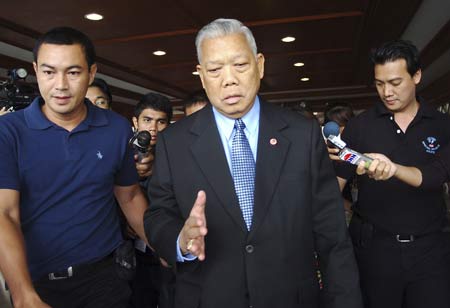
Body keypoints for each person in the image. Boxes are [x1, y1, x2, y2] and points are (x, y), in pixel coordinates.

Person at [144, 18, 362, 308]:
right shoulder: (174, 141)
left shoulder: (302, 134)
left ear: (260, 65)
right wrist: (181, 239)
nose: (229, 79)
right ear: (201, 75)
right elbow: (158, 215)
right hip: (208, 296)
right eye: (214, 69)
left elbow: (332, 235)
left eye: (240, 65)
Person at [0, 27, 149, 308]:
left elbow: (129, 196)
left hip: (106, 279)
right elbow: (4, 213)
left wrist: (163, 245)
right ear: (35, 70)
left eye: (73, 72)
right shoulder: (8, 132)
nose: (60, 85)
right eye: (48, 72)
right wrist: (23, 294)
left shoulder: (116, 127)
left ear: (91, 73)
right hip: (36, 282)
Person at [331, 40, 450, 307]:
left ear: (416, 76)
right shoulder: (359, 127)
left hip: (431, 250)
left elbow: (435, 175)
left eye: (395, 83)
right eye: (379, 83)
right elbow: (334, 185)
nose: (387, 92)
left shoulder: (442, 125)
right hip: (374, 250)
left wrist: (393, 169)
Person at [129, 92, 174, 308]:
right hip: (132, 252)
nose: (153, 128)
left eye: (161, 121)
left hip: (169, 251)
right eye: (147, 120)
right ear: (135, 121)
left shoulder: (178, 156)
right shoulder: (121, 152)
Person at [355, 144, 450, 189]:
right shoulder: (361, 122)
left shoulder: (442, 122)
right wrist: (393, 168)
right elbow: (434, 174)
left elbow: (437, 174)